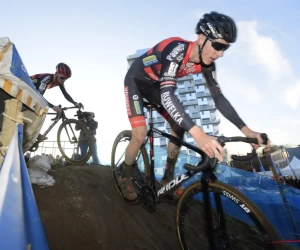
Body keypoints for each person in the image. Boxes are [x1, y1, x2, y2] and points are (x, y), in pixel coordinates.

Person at [120, 11, 270, 201]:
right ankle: (125, 175)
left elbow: (219, 99)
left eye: (225, 48)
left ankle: (167, 179)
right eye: (217, 45)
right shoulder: (176, 49)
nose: (220, 53)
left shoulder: (207, 65)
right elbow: (167, 95)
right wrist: (199, 135)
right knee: (140, 135)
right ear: (201, 38)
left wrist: (247, 131)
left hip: (155, 85)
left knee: (178, 129)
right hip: (136, 80)